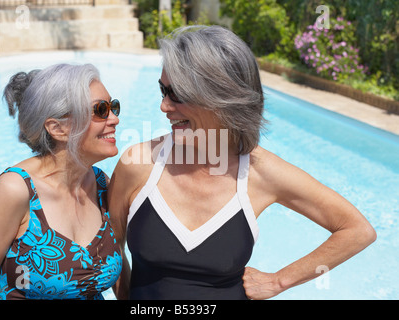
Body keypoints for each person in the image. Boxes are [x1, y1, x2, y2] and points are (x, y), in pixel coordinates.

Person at [108, 25, 376, 300]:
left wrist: (279, 281)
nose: (164, 106)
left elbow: (357, 230)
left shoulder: (261, 173)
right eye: (163, 90)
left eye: (177, 94)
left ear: (221, 97)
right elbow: (112, 250)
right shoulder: (139, 163)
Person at [0, 63, 126, 300]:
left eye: (113, 106)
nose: (114, 119)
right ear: (58, 128)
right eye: (100, 110)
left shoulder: (101, 185)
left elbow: (119, 275)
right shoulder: (14, 191)